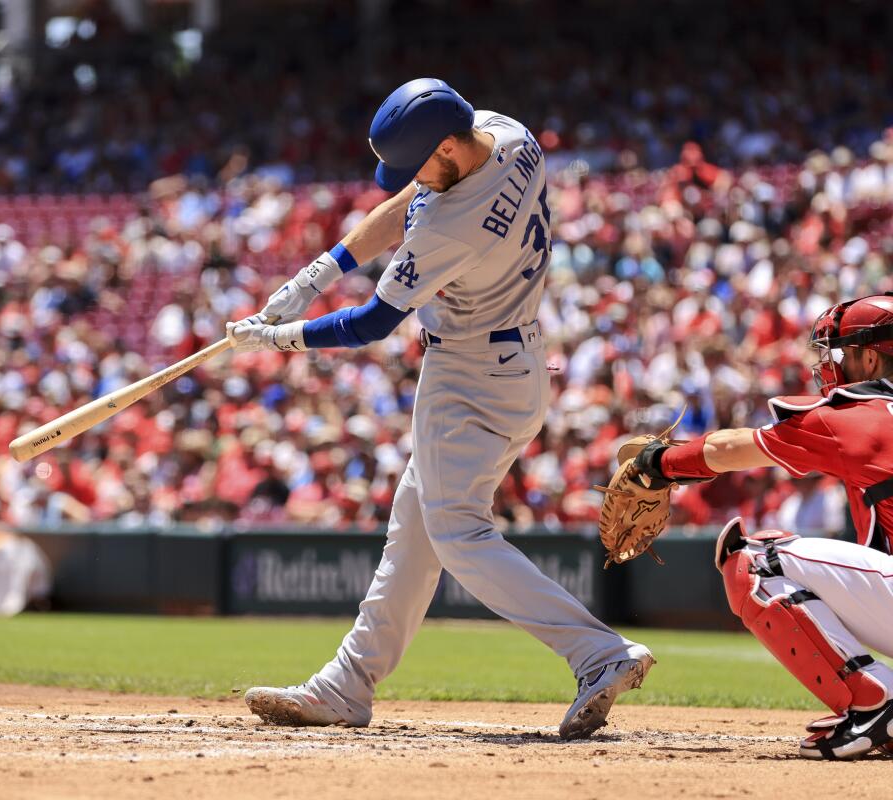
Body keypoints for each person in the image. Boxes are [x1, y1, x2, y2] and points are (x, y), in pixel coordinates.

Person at [226, 78, 653, 739]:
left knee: (455, 533)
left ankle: (598, 653)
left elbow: (370, 325)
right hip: (512, 363)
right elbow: (406, 201)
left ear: (449, 148)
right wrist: (316, 275)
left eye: (424, 158)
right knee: (417, 529)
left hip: (469, 373)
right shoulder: (508, 133)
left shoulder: (455, 227)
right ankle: (347, 683)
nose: (412, 174)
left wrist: (280, 337)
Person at [619, 294, 893, 760]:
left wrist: (658, 462)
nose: (832, 365)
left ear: (870, 356)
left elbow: (729, 450)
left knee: (753, 559)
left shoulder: (864, 417)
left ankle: (875, 701)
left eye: (842, 354)